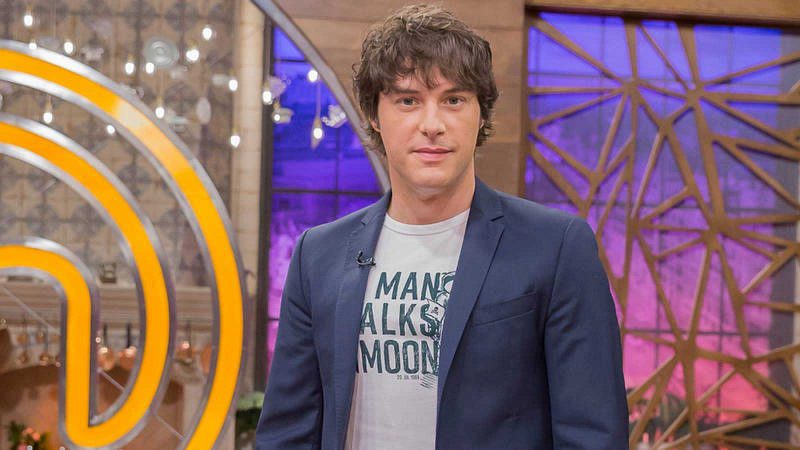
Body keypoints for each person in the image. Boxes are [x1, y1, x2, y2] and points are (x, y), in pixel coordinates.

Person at [255, 4, 628, 449]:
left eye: (453, 100)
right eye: (407, 101)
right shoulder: (318, 255)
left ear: (481, 114)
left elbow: (593, 434)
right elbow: (287, 434)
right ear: (374, 115)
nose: (431, 125)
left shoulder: (556, 247)